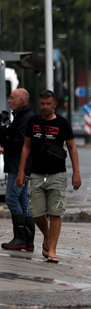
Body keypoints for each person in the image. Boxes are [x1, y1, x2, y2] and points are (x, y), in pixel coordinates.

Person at [16, 90, 81, 264]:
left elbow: (72, 148)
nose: (45, 107)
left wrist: (76, 172)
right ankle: (47, 236)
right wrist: (21, 171)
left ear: (54, 104)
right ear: (39, 103)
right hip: (36, 174)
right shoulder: (33, 122)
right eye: (42, 103)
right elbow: (26, 147)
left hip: (57, 175)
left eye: (48, 104)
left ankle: (51, 250)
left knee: (55, 213)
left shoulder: (62, 123)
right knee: (36, 213)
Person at [1, 88, 35, 251]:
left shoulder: (26, 118)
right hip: (20, 165)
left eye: (12, 98)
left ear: (21, 101)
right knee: (22, 202)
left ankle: (20, 238)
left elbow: (20, 143)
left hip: (19, 166)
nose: (9, 101)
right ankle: (28, 241)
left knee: (12, 198)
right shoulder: (22, 117)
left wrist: (6, 139)